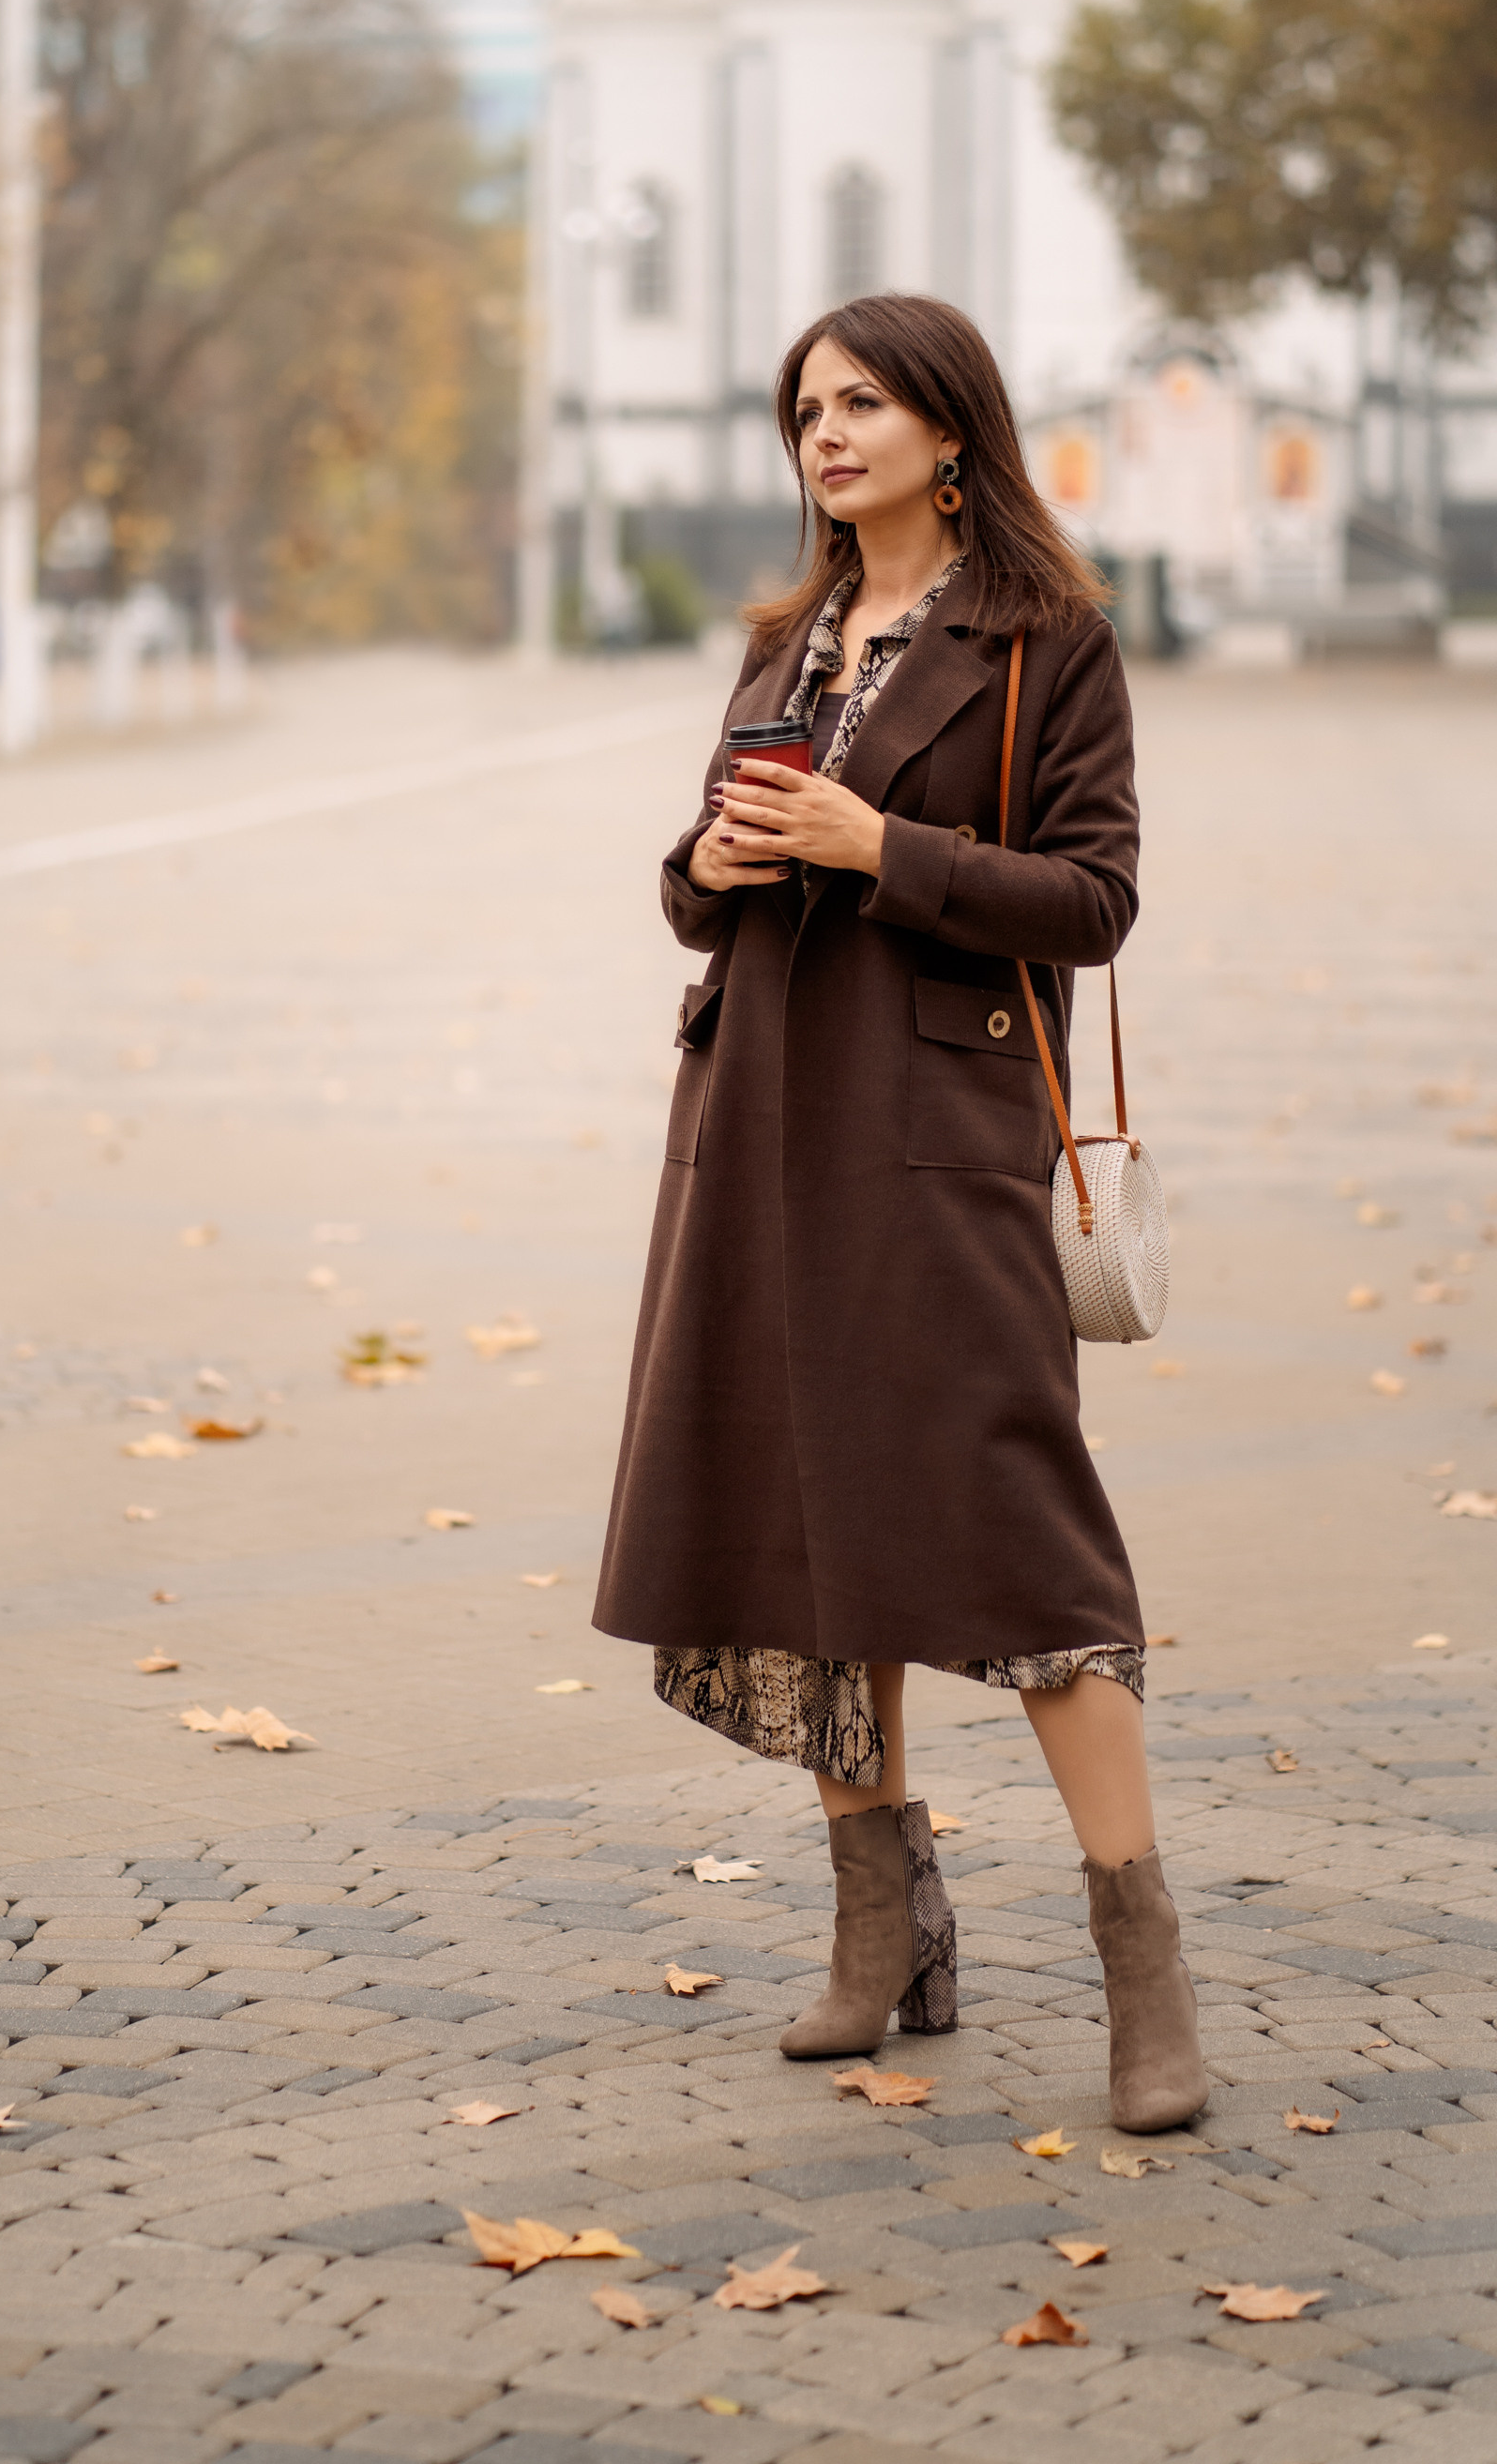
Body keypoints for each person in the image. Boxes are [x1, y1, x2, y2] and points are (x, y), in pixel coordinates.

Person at [593, 293, 1207, 2136]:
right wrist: (703, 867)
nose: (824, 436)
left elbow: (1092, 902)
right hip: (754, 1127)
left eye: (859, 403)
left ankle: (1140, 1963)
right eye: (802, 412)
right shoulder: (784, 642)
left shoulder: (1048, 643)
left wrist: (888, 853)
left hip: (934, 1138)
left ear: (952, 429)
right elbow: (703, 880)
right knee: (805, 1535)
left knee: (1019, 1536)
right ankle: (884, 1927)